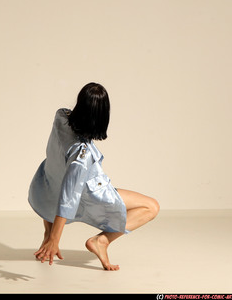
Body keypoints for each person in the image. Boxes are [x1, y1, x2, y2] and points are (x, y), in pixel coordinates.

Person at [28, 82, 160, 271]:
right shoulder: (82, 155)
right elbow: (69, 197)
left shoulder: (60, 116)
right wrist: (56, 240)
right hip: (85, 195)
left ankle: (47, 237)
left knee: (59, 181)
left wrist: (51, 236)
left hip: (45, 189)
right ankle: (102, 241)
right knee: (151, 206)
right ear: (101, 116)